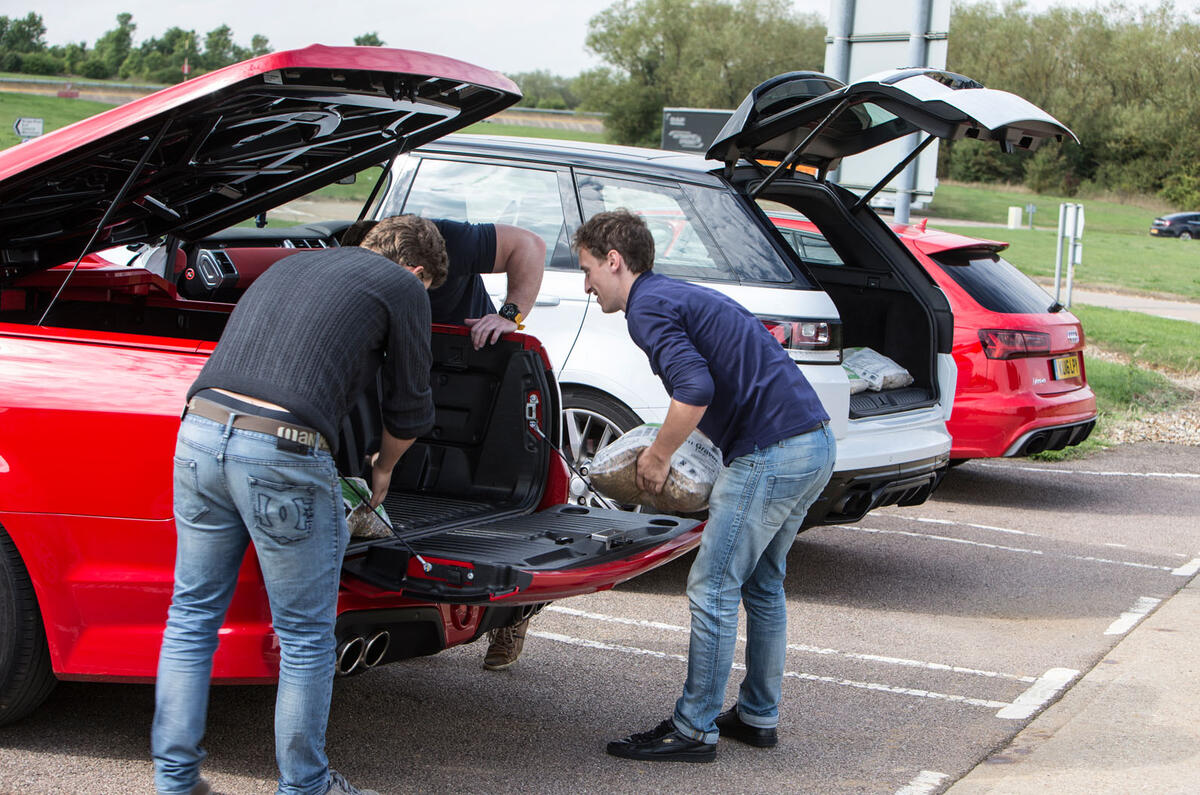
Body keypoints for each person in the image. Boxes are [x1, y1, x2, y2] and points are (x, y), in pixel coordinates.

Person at [151, 216, 447, 795]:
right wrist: (382, 470)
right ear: (417, 270)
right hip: (283, 449)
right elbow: (409, 408)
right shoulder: (403, 286)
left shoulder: (295, 263)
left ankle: (175, 779)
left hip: (200, 431)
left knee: (191, 618)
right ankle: (306, 786)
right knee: (306, 635)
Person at [574, 210, 837, 763]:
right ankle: (758, 715)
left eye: (589, 269)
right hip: (813, 443)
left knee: (712, 587)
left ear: (614, 261)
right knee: (763, 586)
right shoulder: (674, 294)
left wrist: (657, 457)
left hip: (770, 454)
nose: (587, 283)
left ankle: (693, 730)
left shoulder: (646, 307)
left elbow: (694, 387)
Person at [343, 217, 546, 671]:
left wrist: (510, 315)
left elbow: (529, 244)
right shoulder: (363, 266)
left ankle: (512, 613)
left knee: (480, 502)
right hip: (402, 363)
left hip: (468, 365)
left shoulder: (446, 238)